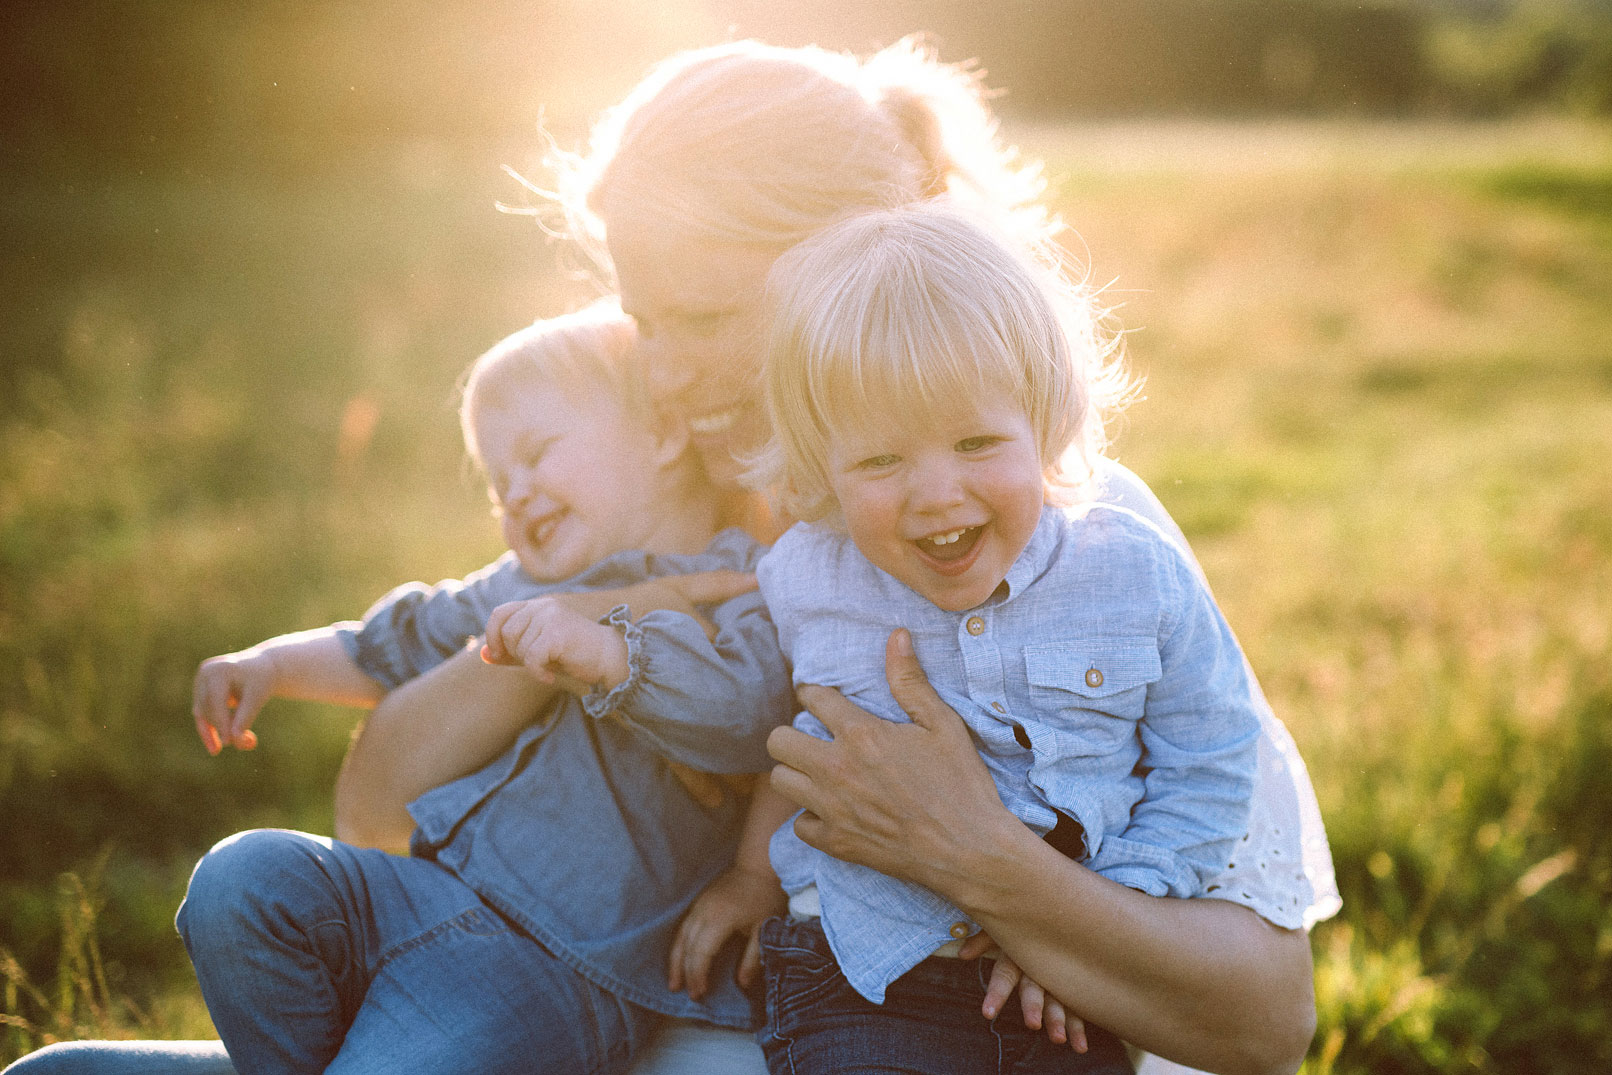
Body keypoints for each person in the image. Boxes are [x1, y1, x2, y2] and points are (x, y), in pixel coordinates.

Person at [4, 35, 1337, 1075]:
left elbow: (1265, 1015)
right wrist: (611, 627)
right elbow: (379, 815)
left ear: (854, 270)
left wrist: (978, 853)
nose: (668, 369)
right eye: (645, 315)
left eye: (706, 316)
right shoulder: (666, 504)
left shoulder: (1059, 545)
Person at [179, 301, 790, 1075]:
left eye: (538, 453)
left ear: (664, 435)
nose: (520, 491)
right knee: (241, 881)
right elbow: (387, 644)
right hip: (427, 893)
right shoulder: (522, 584)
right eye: (502, 483)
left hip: (557, 962)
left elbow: (754, 715)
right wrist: (269, 664)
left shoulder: (744, 582)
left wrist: (611, 652)